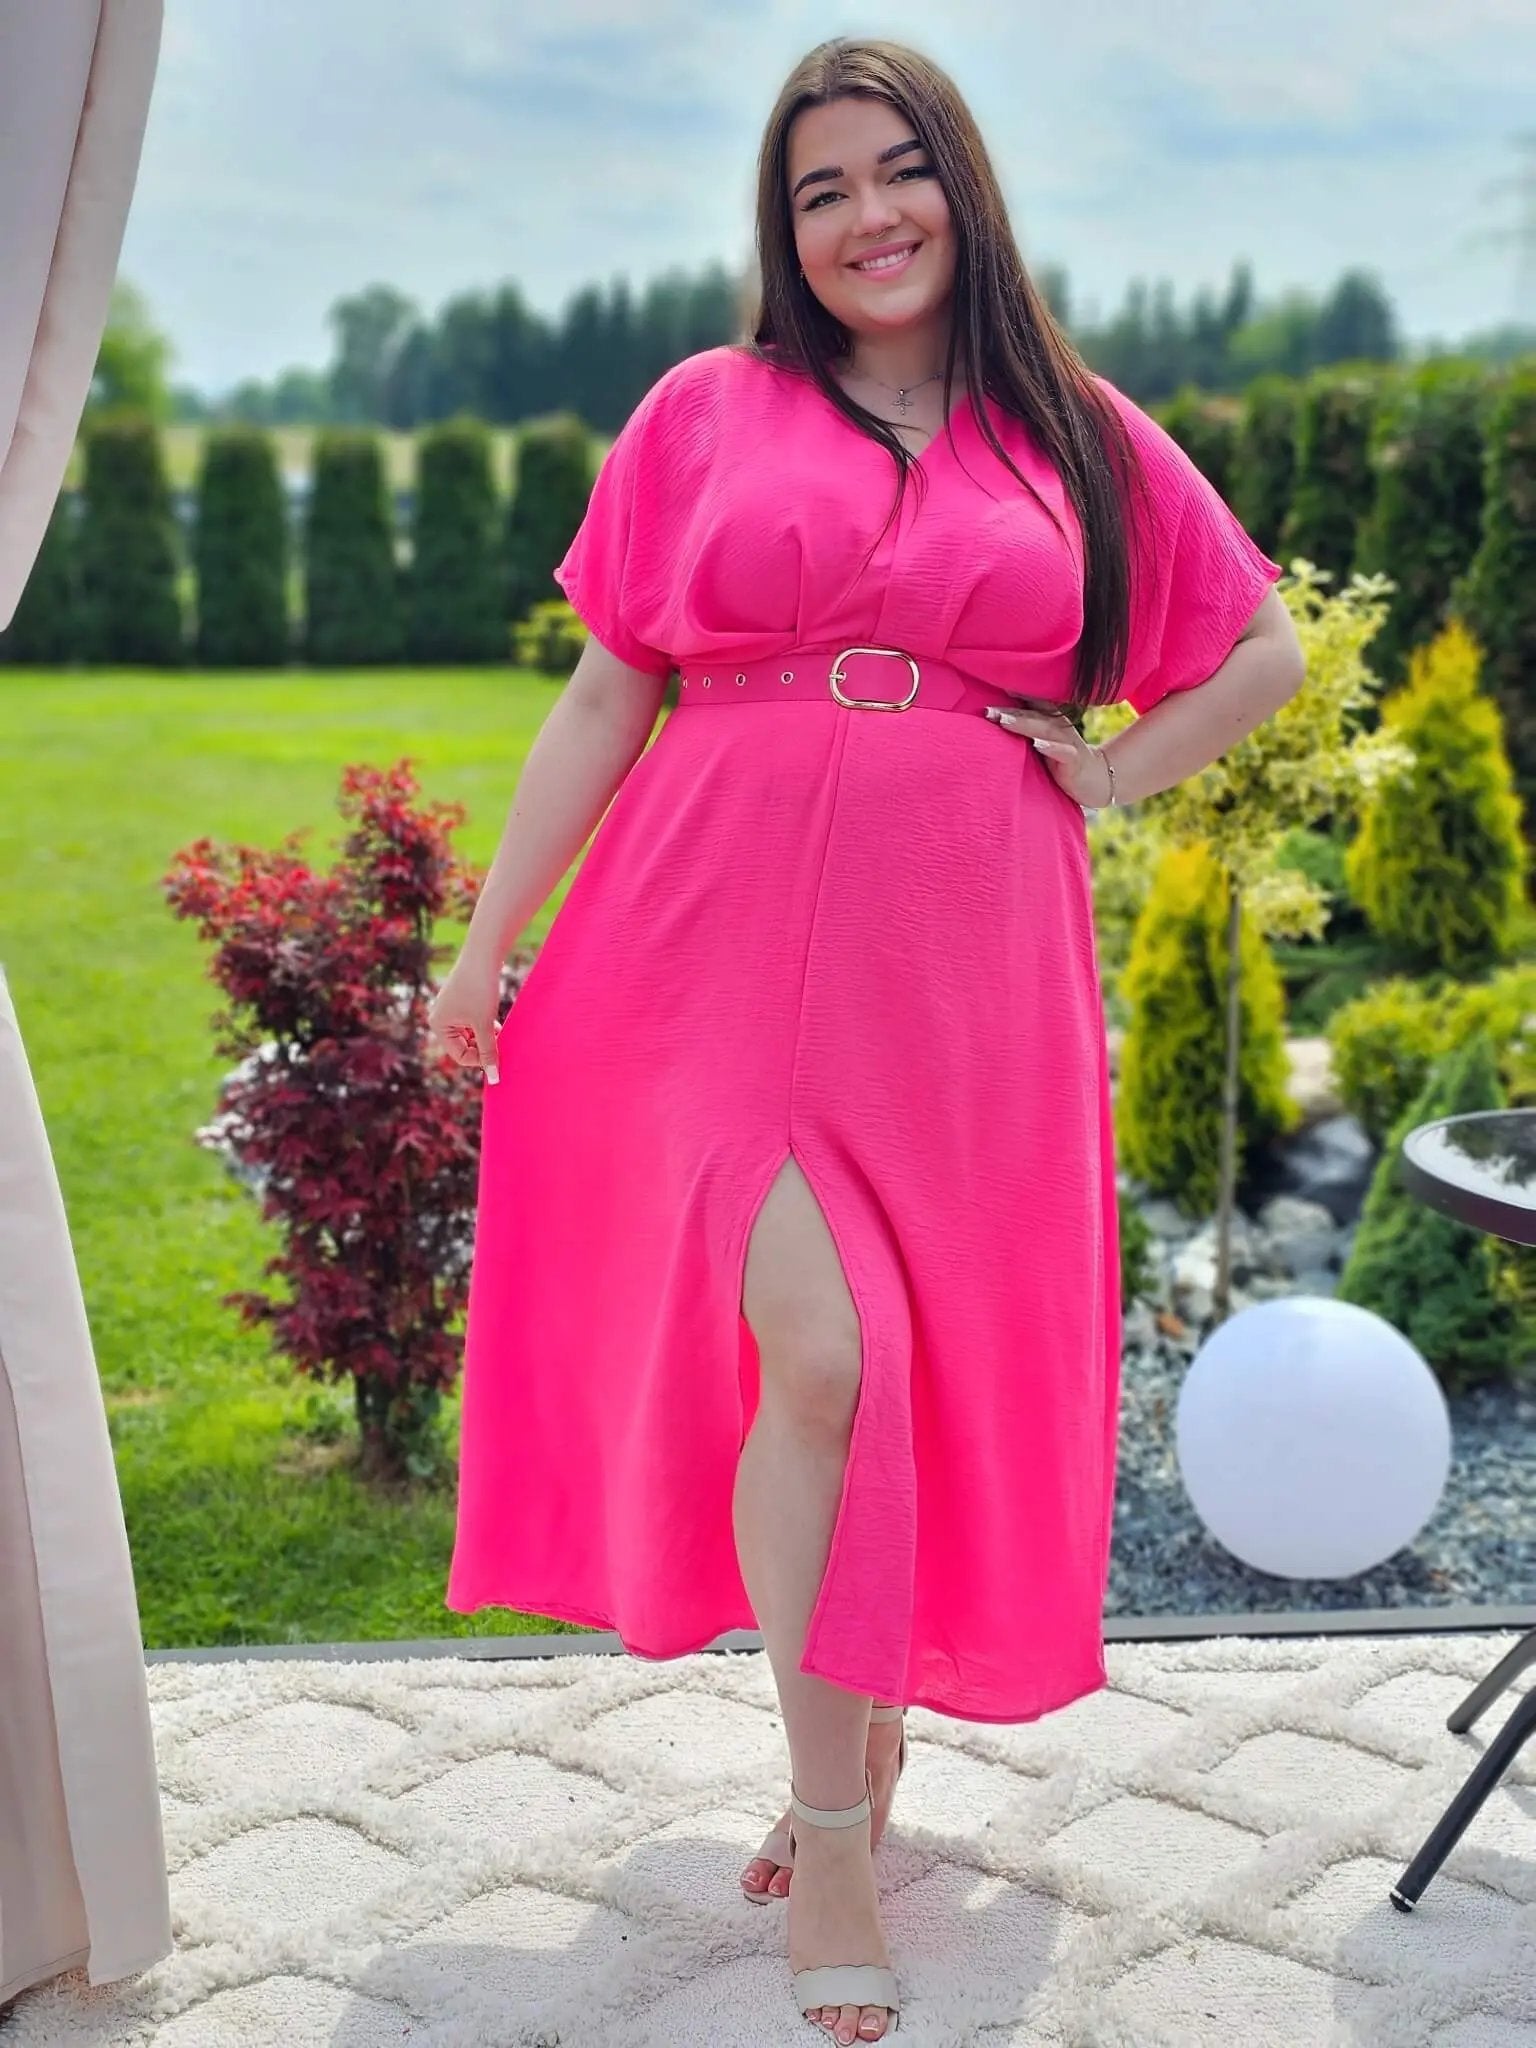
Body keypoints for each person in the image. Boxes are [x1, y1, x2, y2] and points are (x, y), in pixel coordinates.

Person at [431, 36, 1305, 2045]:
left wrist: (1106, 773)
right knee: (814, 1353)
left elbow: (1258, 647)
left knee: (905, 1362)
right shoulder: (704, 409)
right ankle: (837, 1825)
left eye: (897, 170)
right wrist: (487, 951)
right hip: (699, 925)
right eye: (820, 189)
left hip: (962, 955)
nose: (866, 216)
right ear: (784, 228)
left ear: (960, 185)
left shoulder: (1073, 426)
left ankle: (868, 1735)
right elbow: (606, 691)